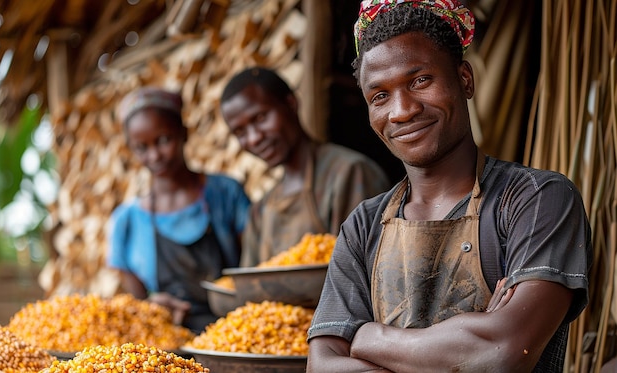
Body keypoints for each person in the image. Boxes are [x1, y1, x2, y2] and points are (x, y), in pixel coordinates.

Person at [306, 1, 593, 372]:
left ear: (465, 79)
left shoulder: (535, 200)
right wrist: (463, 345)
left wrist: (366, 339)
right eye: (380, 96)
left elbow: (500, 355)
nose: (402, 110)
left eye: (420, 81)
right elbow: (321, 365)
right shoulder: (363, 225)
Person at [107, 87, 250, 333]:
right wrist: (153, 306)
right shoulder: (126, 221)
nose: (155, 155)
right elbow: (138, 305)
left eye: (164, 140)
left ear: (183, 133)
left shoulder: (225, 193)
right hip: (169, 347)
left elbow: (255, 264)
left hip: (236, 333)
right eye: (142, 147)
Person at [220, 67, 391, 267]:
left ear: (291, 103)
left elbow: (363, 272)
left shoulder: (349, 173)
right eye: (240, 132)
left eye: (260, 118)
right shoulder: (260, 211)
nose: (254, 138)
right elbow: (251, 286)